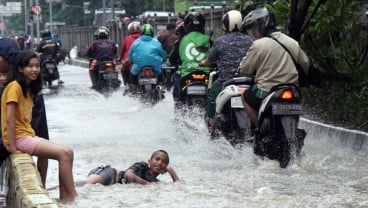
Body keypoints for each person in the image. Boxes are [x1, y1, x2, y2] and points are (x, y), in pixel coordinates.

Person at [1, 51, 77, 202]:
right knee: (65, 154)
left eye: (37, 66)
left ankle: (65, 197)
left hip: (26, 135)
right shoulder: (14, 87)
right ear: (20, 69)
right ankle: (72, 196)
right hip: (20, 137)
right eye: (30, 66)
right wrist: (11, 146)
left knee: (67, 152)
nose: (35, 69)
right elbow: (9, 119)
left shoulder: (28, 89)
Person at [238, 7, 310, 127]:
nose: (253, 32)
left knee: (245, 97)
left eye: (254, 27)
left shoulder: (258, 44)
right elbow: (305, 63)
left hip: (266, 90)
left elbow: (245, 70)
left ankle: (259, 129)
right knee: (296, 104)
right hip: (292, 89)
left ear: (262, 24)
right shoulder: (291, 41)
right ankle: (294, 130)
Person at [0, 38, 50, 188]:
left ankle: (41, 186)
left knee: (46, 148)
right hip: (11, 138)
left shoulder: (20, 87)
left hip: (17, 136)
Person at [199, 10, 253, 133]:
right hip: (248, 81)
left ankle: (211, 120)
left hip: (226, 80)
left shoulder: (220, 41)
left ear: (225, 24)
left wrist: (202, 63)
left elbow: (209, 60)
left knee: (212, 95)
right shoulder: (249, 40)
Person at [74, 150, 178, 186]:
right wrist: (147, 185)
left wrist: (171, 171)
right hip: (109, 173)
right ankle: (58, 187)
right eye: (157, 159)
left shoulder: (155, 181)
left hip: (112, 184)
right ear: (149, 162)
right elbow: (128, 175)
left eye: (164, 162)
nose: (160, 163)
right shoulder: (142, 165)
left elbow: (177, 186)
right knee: (86, 184)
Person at [172, 12, 212, 102]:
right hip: (206, 76)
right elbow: (215, 56)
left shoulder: (181, 41)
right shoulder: (208, 40)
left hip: (187, 76)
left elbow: (172, 58)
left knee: (179, 99)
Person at [128, 24, 166, 90]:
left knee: (132, 76)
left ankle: (134, 90)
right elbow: (162, 54)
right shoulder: (156, 42)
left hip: (139, 65)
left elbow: (130, 54)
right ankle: (161, 89)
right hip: (155, 65)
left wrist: (131, 60)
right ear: (152, 32)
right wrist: (164, 59)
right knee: (161, 77)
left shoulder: (136, 42)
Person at [119, 21, 141, 92]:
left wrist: (120, 58)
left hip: (130, 61)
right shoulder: (144, 38)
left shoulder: (127, 38)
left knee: (123, 68)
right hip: (143, 61)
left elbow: (123, 51)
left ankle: (127, 84)